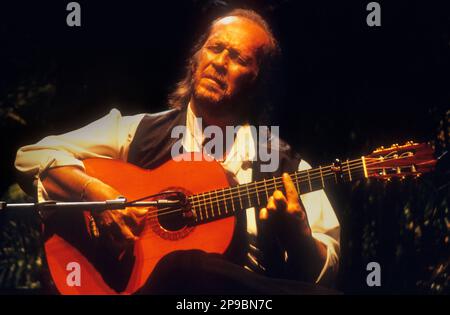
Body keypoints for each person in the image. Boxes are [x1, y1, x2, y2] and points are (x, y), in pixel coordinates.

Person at [15, 9, 340, 294]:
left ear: (258, 84)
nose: (220, 63)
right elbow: (32, 156)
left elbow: (325, 267)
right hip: (134, 288)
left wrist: (299, 236)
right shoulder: (135, 131)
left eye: (239, 59)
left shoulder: (286, 165)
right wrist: (97, 196)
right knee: (185, 267)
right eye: (214, 48)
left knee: (194, 267)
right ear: (196, 58)